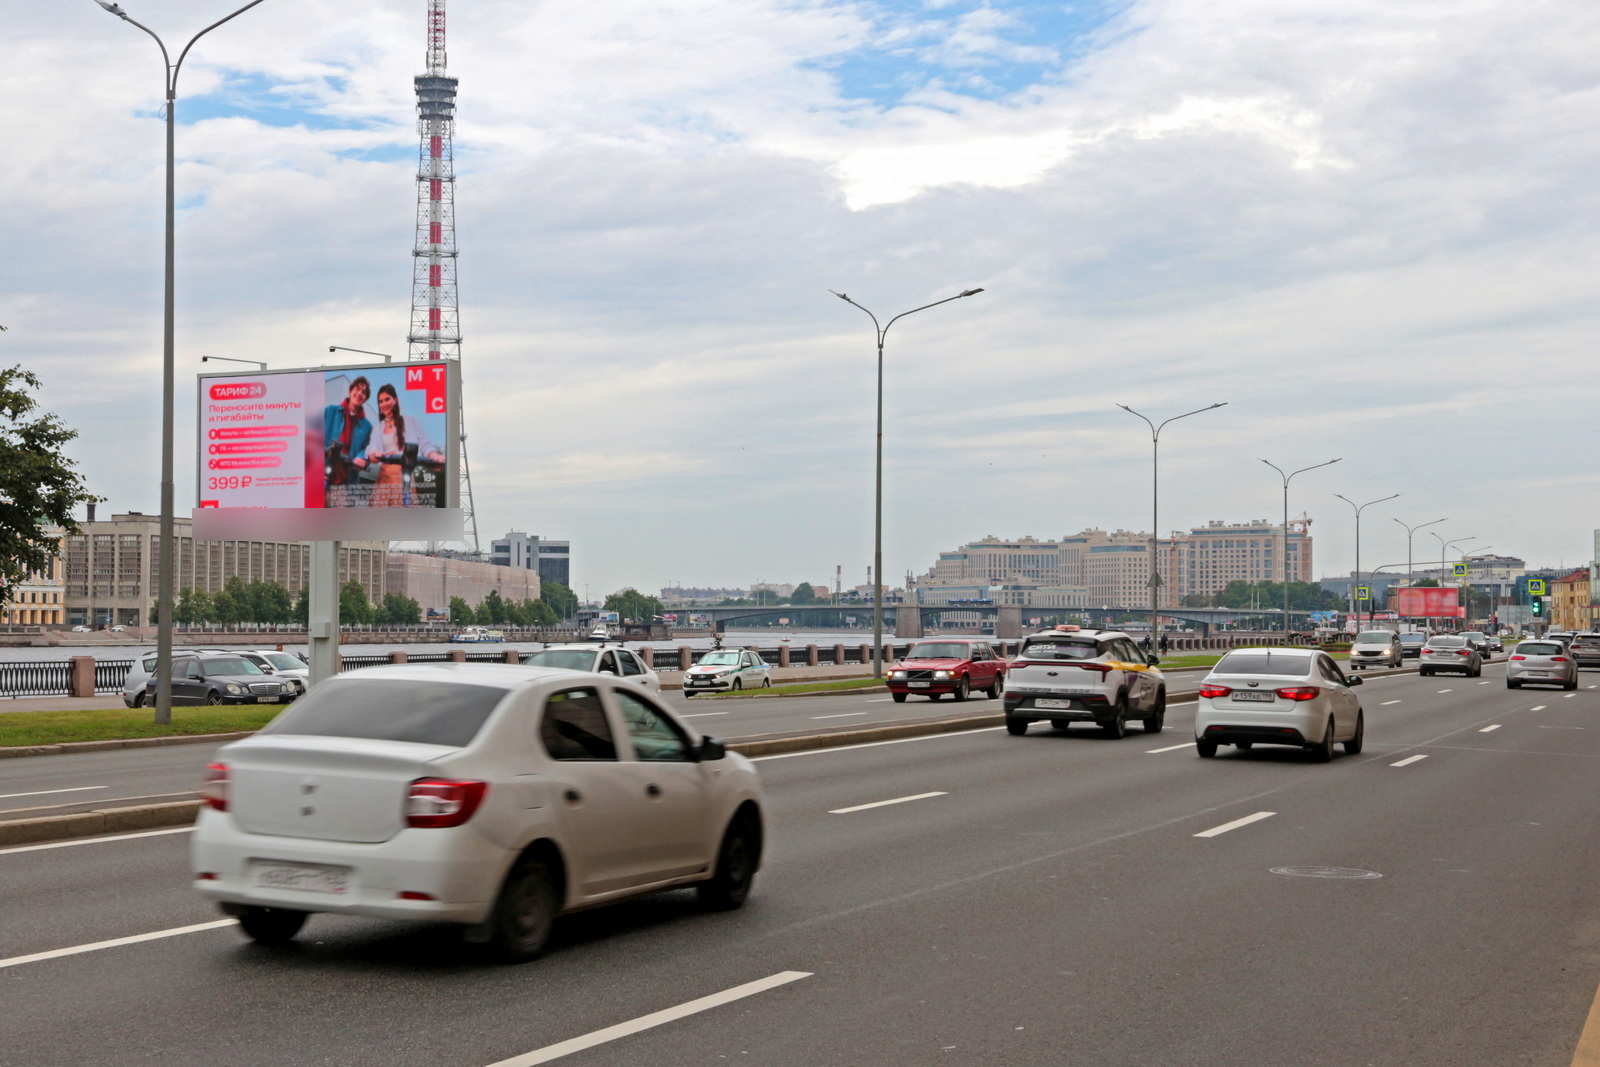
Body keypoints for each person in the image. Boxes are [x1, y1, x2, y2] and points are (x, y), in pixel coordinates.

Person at [364, 383, 446, 507]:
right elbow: (372, 445)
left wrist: (434, 456)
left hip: (404, 473)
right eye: (380, 401)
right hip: (384, 476)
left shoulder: (410, 421)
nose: (384, 404)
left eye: (387, 399)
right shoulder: (378, 428)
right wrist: (374, 452)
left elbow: (424, 443)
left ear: (395, 400)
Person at [322, 376, 372, 489]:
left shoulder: (367, 426)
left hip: (347, 480)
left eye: (364, 392)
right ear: (350, 391)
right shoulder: (330, 411)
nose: (359, 393)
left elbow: (367, 448)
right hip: (323, 472)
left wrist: (362, 458)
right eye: (357, 389)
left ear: (365, 398)